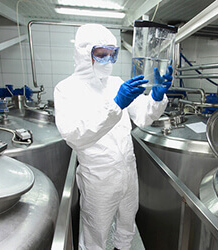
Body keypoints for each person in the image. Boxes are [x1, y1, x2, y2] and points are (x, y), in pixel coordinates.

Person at [54, 23, 173, 250]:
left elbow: (142, 116)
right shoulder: (66, 89)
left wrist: (156, 99)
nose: (108, 60)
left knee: (128, 222)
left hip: (128, 169)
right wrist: (115, 105)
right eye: (101, 54)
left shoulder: (116, 83)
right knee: (95, 232)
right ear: (83, 53)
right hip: (99, 176)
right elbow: (74, 134)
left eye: (112, 54)